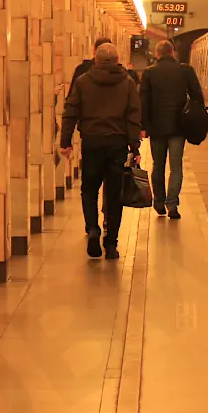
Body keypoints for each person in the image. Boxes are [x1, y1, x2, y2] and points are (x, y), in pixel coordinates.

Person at [60, 42, 142, 259]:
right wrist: (135, 146)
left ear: (95, 60)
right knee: (114, 194)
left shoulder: (83, 82)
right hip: (117, 145)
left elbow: (71, 111)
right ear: (117, 61)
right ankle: (112, 243)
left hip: (92, 142)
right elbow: (133, 117)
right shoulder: (128, 83)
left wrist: (65, 141)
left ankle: (93, 229)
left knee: (89, 189)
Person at [139, 39, 205, 219]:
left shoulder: (149, 73)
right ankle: (172, 205)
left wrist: (143, 126)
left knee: (157, 165)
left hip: (157, 128)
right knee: (176, 167)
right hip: (178, 127)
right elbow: (198, 98)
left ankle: (158, 202)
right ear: (172, 53)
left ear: (157, 54)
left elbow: (143, 102)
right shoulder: (185, 71)